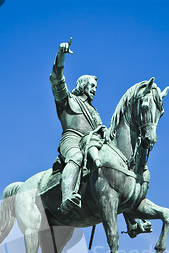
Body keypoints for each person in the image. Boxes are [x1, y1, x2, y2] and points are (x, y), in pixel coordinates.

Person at [50, 38, 106, 214]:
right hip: (72, 140)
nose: (95, 89)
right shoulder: (68, 100)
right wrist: (60, 56)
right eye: (92, 86)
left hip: (91, 144)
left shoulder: (95, 113)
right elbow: (57, 81)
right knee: (76, 157)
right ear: (83, 85)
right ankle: (67, 197)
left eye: (96, 87)